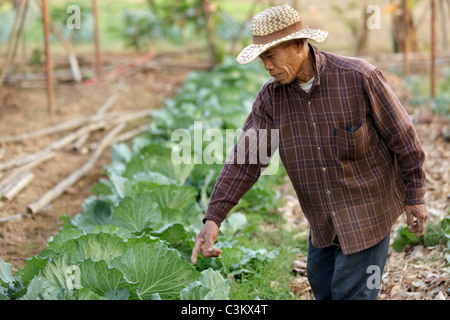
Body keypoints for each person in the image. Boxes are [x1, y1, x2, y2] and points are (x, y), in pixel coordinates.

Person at [190, 4, 428, 300]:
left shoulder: (358, 77)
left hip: (368, 209)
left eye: (270, 55)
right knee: (322, 286)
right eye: (262, 58)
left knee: (351, 292)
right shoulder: (271, 98)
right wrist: (213, 218)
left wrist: (414, 197)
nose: (267, 66)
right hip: (322, 219)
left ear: (300, 45)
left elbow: (403, 136)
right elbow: (246, 160)